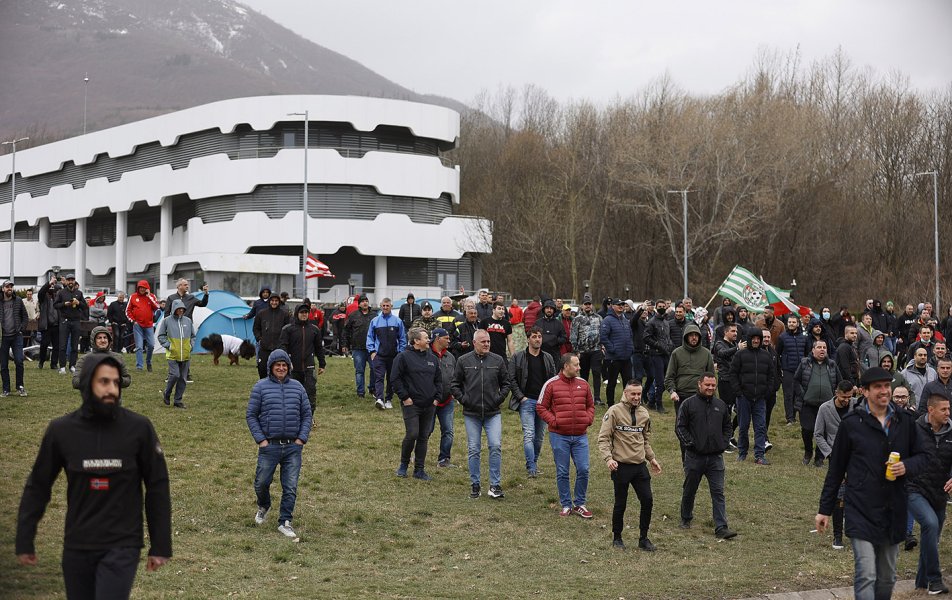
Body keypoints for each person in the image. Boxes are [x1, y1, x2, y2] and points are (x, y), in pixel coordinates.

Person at [15, 354, 172, 598]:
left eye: (116, 383)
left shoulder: (139, 429)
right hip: (78, 544)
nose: (112, 389)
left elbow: (158, 487)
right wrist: (25, 538)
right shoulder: (61, 431)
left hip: (122, 544)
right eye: (104, 382)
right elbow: (38, 486)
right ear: (88, 383)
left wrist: (160, 544)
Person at [816, 367, 928, 600]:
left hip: (893, 508)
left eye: (887, 386)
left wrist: (906, 466)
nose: (884, 391)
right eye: (878, 387)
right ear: (864, 391)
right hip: (861, 508)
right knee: (866, 574)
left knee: (887, 577)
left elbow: (923, 457)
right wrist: (824, 509)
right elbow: (836, 469)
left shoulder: (905, 421)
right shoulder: (851, 423)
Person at [247, 349, 311, 540]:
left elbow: (307, 414)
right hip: (270, 446)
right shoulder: (260, 387)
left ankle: (285, 521)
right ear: (271, 368)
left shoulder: (298, 387)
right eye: (278, 365)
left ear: (288, 367)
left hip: (293, 447)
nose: (281, 368)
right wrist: (262, 440)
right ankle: (264, 505)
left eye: (284, 365)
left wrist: (301, 438)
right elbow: (251, 415)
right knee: (261, 482)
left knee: (290, 486)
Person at [597, 380, 662, 551]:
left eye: (639, 394)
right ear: (625, 393)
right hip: (621, 466)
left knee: (647, 500)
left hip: (640, 466)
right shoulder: (614, 412)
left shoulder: (644, 414)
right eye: (633, 393)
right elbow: (603, 439)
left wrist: (652, 458)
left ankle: (644, 538)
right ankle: (617, 538)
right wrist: (608, 459)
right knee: (621, 503)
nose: (636, 397)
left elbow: (644, 440)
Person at [675, 373, 737, 539]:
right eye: (707, 385)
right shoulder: (688, 404)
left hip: (716, 459)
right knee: (690, 489)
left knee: (718, 492)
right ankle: (686, 518)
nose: (710, 388)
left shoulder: (720, 405)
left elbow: (728, 427)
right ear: (699, 384)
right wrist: (691, 444)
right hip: (694, 457)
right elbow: (680, 427)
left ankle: (721, 527)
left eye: (713, 385)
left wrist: (723, 443)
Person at [451, 329, 509, 500]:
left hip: (493, 412)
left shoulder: (497, 360)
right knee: (474, 449)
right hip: (471, 413)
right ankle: (475, 484)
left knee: (495, 446)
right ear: (474, 342)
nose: (487, 344)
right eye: (483, 342)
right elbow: (454, 384)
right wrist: (464, 400)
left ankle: (495, 485)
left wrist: (498, 399)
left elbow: (506, 383)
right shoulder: (463, 360)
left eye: (488, 341)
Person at [537, 353, 596, 518]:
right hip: (559, 436)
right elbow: (541, 407)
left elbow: (591, 405)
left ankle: (580, 504)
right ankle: (566, 504)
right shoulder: (551, 384)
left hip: (580, 436)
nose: (579, 368)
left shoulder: (583, 384)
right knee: (562, 471)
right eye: (576, 365)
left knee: (583, 469)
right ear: (566, 366)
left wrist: (587, 419)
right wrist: (554, 421)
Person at [907, 387, 952, 594]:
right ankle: (935, 580)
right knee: (930, 524)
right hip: (914, 489)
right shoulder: (914, 429)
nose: (948, 413)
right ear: (930, 410)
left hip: (939, 493)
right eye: (943, 409)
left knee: (931, 537)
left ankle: (920, 583)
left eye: (949, 409)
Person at [391, 327, 442, 480]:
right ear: (416, 341)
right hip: (411, 404)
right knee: (412, 434)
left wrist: (436, 399)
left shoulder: (432, 358)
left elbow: (439, 380)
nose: (429, 340)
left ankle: (419, 470)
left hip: (429, 405)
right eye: (426, 338)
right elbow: (395, 379)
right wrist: (405, 397)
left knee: (423, 436)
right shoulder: (403, 357)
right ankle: (403, 465)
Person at [813, 380, 858, 549]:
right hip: (836, 457)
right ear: (836, 393)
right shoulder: (825, 409)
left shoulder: (857, 406)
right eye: (843, 397)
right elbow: (818, 434)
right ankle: (837, 535)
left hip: (856, 457)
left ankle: (853, 530)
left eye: (849, 397)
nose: (846, 400)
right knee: (838, 496)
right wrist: (831, 452)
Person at [509, 326, 557, 478]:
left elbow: (553, 380)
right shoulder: (518, 357)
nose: (537, 339)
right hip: (527, 401)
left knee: (539, 437)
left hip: (544, 403)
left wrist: (550, 400)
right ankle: (531, 468)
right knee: (529, 434)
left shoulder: (548, 357)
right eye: (534, 336)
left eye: (539, 337)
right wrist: (521, 397)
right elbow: (511, 379)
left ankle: (533, 463)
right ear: (528, 339)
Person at [728, 329, 775, 464]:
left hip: (760, 398)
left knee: (760, 427)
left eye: (758, 338)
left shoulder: (766, 356)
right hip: (743, 397)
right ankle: (742, 453)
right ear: (749, 339)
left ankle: (759, 455)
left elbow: (771, 376)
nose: (756, 341)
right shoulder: (740, 355)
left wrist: (767, 392)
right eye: (753, 338)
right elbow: (733, 374)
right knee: (743, 426)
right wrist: (738, 392)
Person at [793, 340, 842, 466]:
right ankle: (808, 452)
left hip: (826, 406)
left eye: (824, 347)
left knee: (823, 432)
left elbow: (839, 382)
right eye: (819, 347)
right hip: (808, 404)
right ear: (813, 350)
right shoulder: (805, 363)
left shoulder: (832, 364)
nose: (822, 350)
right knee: (807, 429)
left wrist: (836, 397)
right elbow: (796, 381)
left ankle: (819, 458)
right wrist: (803, 396)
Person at [279, 304, 327, 411]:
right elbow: (283, 346)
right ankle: (293, 417)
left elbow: (319, 348)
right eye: (302, 312)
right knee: (292, 394)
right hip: (292, 368)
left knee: (310, 393)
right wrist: (286, 361)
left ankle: (309, 417)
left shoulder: (314, 329)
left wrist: (322, 364)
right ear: (297, 314)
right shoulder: (288, 329)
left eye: (306, 312)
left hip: (309, 367)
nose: (304, 314)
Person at [665, 323, 715, 419]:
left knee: (699, 424)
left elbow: (712, 377)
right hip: (681, 395)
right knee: (681, 425)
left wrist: (712, 396)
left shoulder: (706, 353)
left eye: (696, 335)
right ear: (686, 337)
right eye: (691, 335)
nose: (694, 337)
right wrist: (672, 391)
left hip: (700, 395)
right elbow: (669, 377)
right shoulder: (676, 353)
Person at [367, 298, 407, 410]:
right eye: (383, 305)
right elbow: (370, 337)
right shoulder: (375, 321)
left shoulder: (398, 321)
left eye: (387, 306)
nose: (385, 307)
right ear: (380, 306)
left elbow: (403, 338)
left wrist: (401, 353)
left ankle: (389, 399)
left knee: (391, 378)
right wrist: (372, 351)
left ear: (391, 306)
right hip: (379, 355)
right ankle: (379, 399)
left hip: (394, 355)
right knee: (379, 377)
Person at [156, 299, 195, 409]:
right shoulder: (166, 321)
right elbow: (161, 336)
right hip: (172, 355)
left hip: (186, 355)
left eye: (182, 308)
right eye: (179, 309)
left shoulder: (188, 321)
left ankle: (178, 400)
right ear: (174, 309)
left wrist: (191, 346)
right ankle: (167, 393)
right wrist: (169, 346)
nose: (181, 310)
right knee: (175, 375)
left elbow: (193, 336)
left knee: (183, 378)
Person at [430, 328, 457, 468]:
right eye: (446, 338)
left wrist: (454, 392)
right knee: (426, 430)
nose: (449, 340)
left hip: (447, 400)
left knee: (448, 430)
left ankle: (444, 459)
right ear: (437, 339)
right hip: (429, 401)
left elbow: (455, 377)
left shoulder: (450, 357)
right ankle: (418, 455)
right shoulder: (426, 354)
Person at [73, 325, 132, 390]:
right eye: (99, 338)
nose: (103, 340)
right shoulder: (84, 360)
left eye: (105, 337)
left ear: (109, 339)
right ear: (93, 340)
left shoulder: (118, 358)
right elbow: (76, 382)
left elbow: (127, 380)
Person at [600, 298, 634, 407]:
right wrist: (612, 349)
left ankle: (628, 403)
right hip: (614, 358)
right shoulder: (607, 320)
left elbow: (630, 335)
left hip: (626, 357)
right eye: (618, 304)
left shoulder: (624, 320)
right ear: (612, 306)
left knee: (628, 383)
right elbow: (603, 337)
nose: (621, 306)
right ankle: (610, 404)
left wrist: (631, 348)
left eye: (622, 304)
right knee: (612, 383)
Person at [342, 295, 376, 399]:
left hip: (372, 349)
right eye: (363, 301)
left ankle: (372, 389)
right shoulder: (353, 315)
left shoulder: (374, 315)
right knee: (359, 371)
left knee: (374, 369)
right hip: (358, 348)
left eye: (366, 301)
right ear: (359, 304)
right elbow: (346, 331)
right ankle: (360, 392)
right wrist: (345, 344)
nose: (365, 303)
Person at [571, 293, 603, 405]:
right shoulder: (577, 319)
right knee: (583, 375)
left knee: (596, 373)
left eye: (589, 304)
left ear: (592, 305)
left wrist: (602, 347)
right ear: (582, 306)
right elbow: (573, 336)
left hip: (596, 350)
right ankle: (584, 397)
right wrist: (576, 351)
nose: (588, 306)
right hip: (582, 352)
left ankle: (597, 397)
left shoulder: (598, 318)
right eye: (585, 304)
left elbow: (602, 333)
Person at [777, 314, 809, 425]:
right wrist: (781, 367)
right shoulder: (782, 337)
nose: (791, 324)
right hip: (787, 370)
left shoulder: (804, 338)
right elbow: (778, 353)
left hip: (800, 370)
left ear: (798, 323)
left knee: (799, 393)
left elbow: (806, 353)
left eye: (793, 322)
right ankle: (789, 418)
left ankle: (796, 415)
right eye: (789, 322)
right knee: (788, 394)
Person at [54, 273, 89, 375]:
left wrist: (79, 303)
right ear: (66, 281)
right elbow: (55, 305)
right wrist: (64, 304)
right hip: (64, 320)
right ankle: (62, 366)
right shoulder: (61, 292)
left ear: (74, 281)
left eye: (72, 280)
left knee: (74, 345)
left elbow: (85, 307)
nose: (70, 282)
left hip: (76, 321)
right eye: (69, 280)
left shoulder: (79, 293)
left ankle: (72, 365)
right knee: (63, 345)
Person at [0, 280, 28, 397]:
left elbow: (25, 317)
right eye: (7, 287)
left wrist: (21, 328)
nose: (9, 288)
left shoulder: (18, 301)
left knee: (19, 361)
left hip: (16, 336)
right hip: (3, 338)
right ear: (3, 289)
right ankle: (6, 389)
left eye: (11, 286)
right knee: (3, 364)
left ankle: (20, 387)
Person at [253, 295, 291, 380]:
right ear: (269, 301)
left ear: (279, 302)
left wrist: (284, 342)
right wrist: (259, 338)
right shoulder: (262, 313)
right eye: (272, 300)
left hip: (279, 348)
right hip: (264, 347)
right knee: (262, 369)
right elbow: (256, 328)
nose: (274, 302)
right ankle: (264, 387)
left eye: (276, 301)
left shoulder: (285, 314)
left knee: (278, 370)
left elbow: (288, 329)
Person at [644, 300, 673, 410]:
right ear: (656, 307)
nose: (661, 308)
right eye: (659, 306)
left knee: (667, 380)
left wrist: (670, 345)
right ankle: (658, 405)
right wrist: (657, 345)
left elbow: (667, 337)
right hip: (656, 355)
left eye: (663, 306)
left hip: (666, 353)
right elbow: (646, 338)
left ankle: (651, 401)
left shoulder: (666, 322)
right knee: (660, 381)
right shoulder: (651, 322)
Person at [125, 279, 159, 372]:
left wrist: (149, 296)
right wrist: (133, 321)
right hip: (137, 325)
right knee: (139, 346)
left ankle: (148, 362)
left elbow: (157, 307)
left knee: (151, 345)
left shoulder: (152, 296)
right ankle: (139, 366)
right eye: (140, 288)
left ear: (147, 288)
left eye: (144, 288)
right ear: (138, 288)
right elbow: (128, 310)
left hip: (149, 325)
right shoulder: (133, 297)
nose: (142, 290)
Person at [37, 277, 62, 370]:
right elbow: (41, 292)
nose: (52, 290)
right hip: (46, 326)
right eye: (50, 288)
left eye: (53, 289)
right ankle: (41, 361)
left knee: (56, 346)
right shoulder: (43, 298)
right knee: (44, 345)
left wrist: (63, 283)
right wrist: (49, 282)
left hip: (56, 325)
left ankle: (54, 364)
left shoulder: (58, 298)